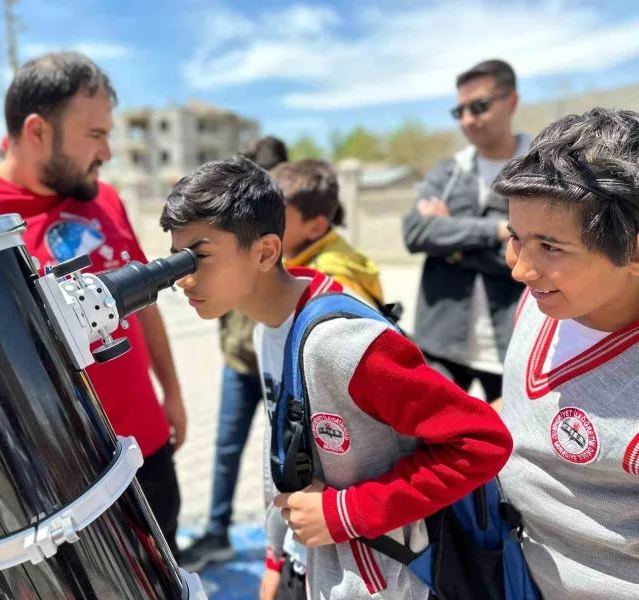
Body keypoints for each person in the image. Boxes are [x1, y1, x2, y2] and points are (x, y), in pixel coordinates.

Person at [160, 156, 513, 599]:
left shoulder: (343, 342)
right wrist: (275, 558)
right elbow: (286, 456)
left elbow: (482, 442)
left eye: (200, 257)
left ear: (266, 251)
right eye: (178, 260)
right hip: (312, 564)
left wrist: (345, 512)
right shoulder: (267, 329)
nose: (183, 279)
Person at [0, 51, 187, 557]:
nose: (109, 152)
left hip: (147, 451)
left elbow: (147, 307)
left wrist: (173, 393)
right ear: (37, 132)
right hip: (54, 489)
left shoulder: (105, 199)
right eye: (95, 135)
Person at [493, 107, 639, 599]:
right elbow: (518, 410)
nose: (521, 270)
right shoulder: (541, 302)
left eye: (550, 247)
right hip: (512, 572)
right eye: (517, 238)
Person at [179, 136, 289, 571]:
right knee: (226, 447)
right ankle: (218, 532)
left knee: (287, 452)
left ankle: (289, 546)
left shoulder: (273, 227)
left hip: (279, 359)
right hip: (239, 359)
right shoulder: (228, 229)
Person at [402, 59, 530, 402]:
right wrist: (498, 230)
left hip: (513, 346)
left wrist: (452, 244)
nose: (468, 120)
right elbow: (415, 233)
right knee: (434, 446)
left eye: (479, 106)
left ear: (512, 102)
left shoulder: (541, 169)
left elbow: (539, 259)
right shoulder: (450, 172)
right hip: (441, 344)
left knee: (510, 450)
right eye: (459, 111)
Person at [271, 158, 384, 307]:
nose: (260, 223)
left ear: (316, 228)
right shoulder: (294, 258)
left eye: (276, 216)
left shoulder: (331, 284)